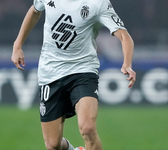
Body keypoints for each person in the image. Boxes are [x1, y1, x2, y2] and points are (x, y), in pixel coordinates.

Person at [11, 0, 136, 149]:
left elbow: (124, 35)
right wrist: (17, 45)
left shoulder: (98, 3)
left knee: (88, 128)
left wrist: (127, 64)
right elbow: (34, 11)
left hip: (83, 71)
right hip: (50, 73)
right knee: (53, 144)